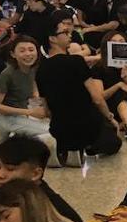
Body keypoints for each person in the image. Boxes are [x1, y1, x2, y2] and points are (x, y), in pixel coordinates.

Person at [36, 20, 117, 166]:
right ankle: (85, 148)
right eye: (65, 33)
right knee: (114, 142)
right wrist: (109, 117)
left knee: (65, 129)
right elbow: (96, 97)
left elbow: (46, 106)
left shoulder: (41, 69)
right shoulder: (76, 61)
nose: (70, 35)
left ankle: (64, 148)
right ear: (52, 38)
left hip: (59, 126)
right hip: (87, 122)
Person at [0, 37, 54, 154]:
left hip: (23, 114)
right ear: (13, 54)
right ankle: (19, 144)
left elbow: (34, 93)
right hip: (6, 119)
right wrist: (30, 112)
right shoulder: (7, 74)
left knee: (59, 126)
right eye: (22, 50)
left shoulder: (32, 69)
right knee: (51, 132)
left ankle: (18, 139)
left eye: (31, 49)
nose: (28, 54)